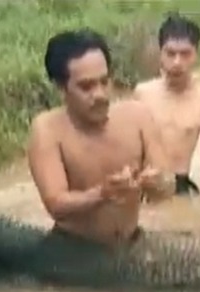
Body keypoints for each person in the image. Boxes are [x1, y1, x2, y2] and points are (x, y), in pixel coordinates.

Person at [27, 29, 176, 248]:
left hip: (132, 242)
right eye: (86, 86)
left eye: (104, 82)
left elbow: (168, 186)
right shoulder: (48, 129)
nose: (99, 94)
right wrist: (102, 193)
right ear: (61, 87)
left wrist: (157, 183)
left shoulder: (138, 115)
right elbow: (56, 205)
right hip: (73, 249)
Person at [134, 13, 200, 201]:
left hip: (180, 183)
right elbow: (129, 144)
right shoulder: (142, 93)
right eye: (170, 53)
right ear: (160, 53)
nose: (177, 62)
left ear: (196, 54)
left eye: (185, 54)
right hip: (145, 182)